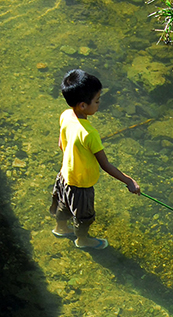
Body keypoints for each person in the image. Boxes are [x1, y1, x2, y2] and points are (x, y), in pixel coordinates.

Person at [50, 69, 141, 250]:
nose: (99, 104)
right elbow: (105, 165)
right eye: (97, 100)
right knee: (84, 217)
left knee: (63, 203)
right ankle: (82, 240)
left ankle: (60, 228)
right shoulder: (90, 134)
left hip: (64, 176)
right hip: (81, 185)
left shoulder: (66, 115)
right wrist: (128, 181)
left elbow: (62, 144)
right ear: (83, 105)